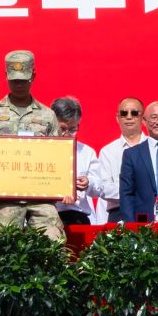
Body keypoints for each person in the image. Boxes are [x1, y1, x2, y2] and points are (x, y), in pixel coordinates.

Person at [0, 51, 72, 240]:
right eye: (14, 80)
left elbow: (58, 156)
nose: (19, 85)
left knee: (53, 239)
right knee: (4, 241)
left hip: (41, 196)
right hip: (6, 195)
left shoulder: (47, 115)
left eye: (23, 80)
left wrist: (66, 186)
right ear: (6, 76)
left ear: (33, 76)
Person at [90, 98, 149, 226]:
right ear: (117, 118)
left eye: (134, 113)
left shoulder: (153, 147)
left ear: (143, 118)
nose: (129, 117)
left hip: (149, 210)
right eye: (124, 113)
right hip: (118, 212)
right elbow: (104, 189)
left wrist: (124, 188)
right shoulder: (107, 151)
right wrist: (141, 189)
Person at [51, 97, 102, 227]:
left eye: (72, 129)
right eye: (62, 129)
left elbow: (99, 187)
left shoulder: (86, 152)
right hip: (49, 215)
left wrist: (88, 183)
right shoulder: (42, 149)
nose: (67, 134)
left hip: (77, 216)